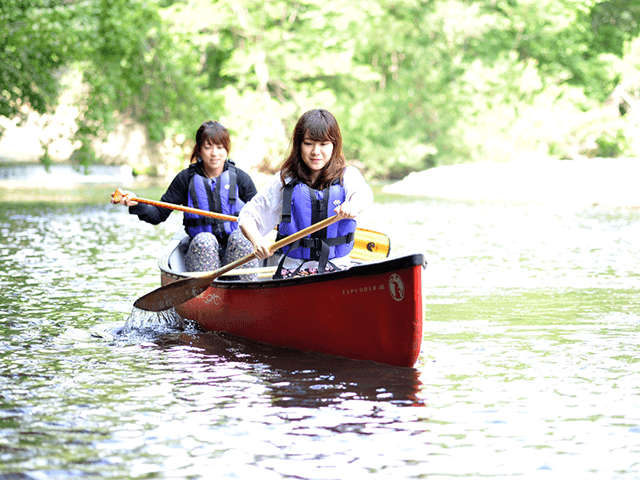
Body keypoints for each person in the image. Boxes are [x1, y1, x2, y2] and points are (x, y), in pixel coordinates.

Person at [239, 109, 373, 278]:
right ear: (299, 145)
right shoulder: (285, 180)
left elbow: (363, 196)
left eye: (323, 144)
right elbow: (247, 216)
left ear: (334, 145)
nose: (316, 151)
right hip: (294, 270)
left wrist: (352, 205)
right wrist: (257, 241)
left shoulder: (348, 176)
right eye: (309, 143)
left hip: (338, 269)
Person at [111, 120, 258, 275]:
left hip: (235, 257)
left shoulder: (241, 178)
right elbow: (158, 214)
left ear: (227, 149)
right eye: (208, 147)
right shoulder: (185, 179)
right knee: (205, 241)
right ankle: (207, 294)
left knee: (242, 238)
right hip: (201, 255)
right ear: (199, 150)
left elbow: (261, 214)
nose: (215, 153)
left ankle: (245, 289)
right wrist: (136, 203)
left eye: (220, 147)